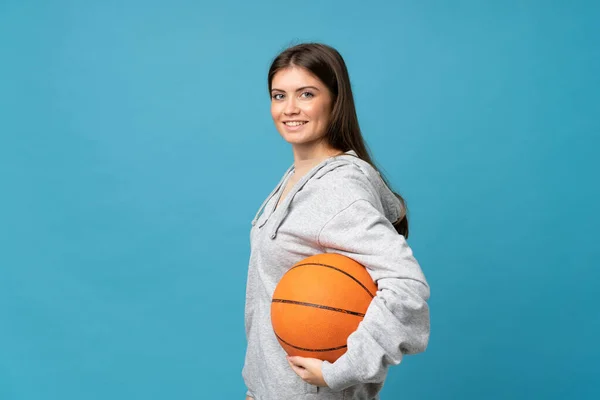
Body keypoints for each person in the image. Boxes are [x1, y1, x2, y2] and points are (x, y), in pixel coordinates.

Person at [242, 42, 431, 400]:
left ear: (335, 99)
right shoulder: (297, 178)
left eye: (307, 94)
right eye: (279, 95)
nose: (290, 108)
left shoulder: (338, 188)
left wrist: (343, 370)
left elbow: (406, 287)